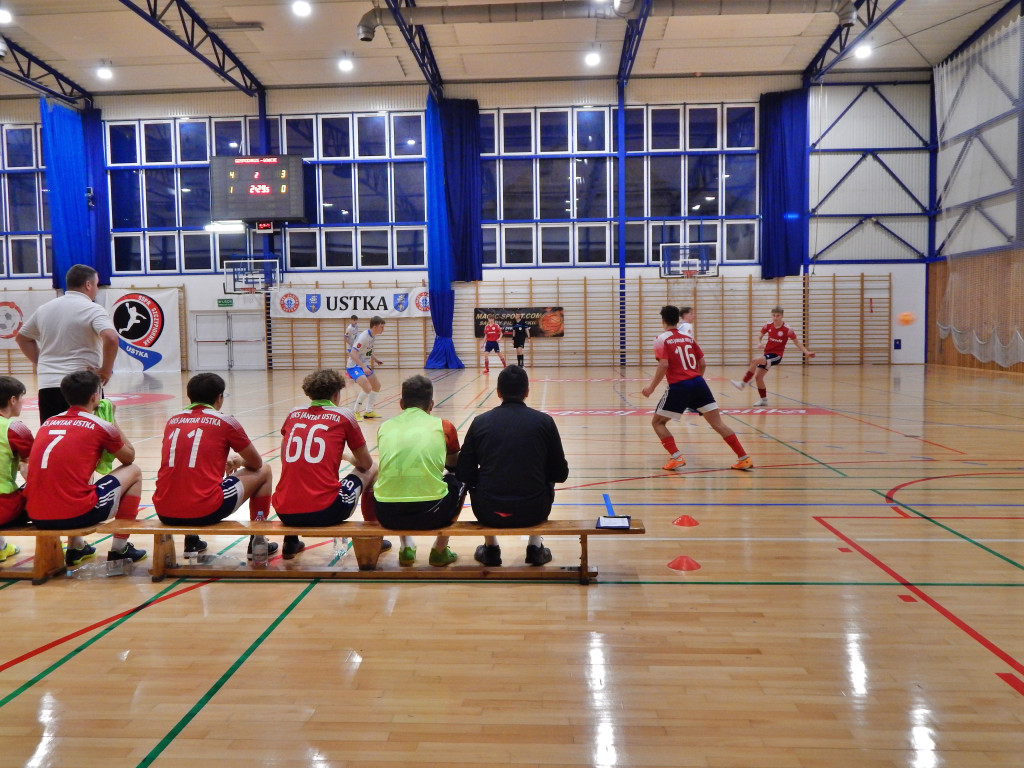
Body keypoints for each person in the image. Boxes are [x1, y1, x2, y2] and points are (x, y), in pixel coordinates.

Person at [152, 372, 285, 560]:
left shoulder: (173, 421)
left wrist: (221, 459)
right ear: (220, 397)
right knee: (265, 470)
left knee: (185, 476)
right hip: (204, 510)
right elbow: (256, 463)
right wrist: (238, 460)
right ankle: (258, 542)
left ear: (189, 395)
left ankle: (191, 542)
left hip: (163, 510)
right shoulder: (225, 421)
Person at [25, 370, 146, 567]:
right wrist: (112, 419)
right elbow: (128, 457)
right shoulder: (100, 425)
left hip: (35, 514)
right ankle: (120, 549)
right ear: (94, 397)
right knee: (134, 471)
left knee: (76, 472)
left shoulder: (48, 422)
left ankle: (77, 547)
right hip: (76, 515)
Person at [457, 365, 568, 567]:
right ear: (526, 392)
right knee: (547, 476)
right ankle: (535, 547)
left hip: (488, 511)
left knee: (479, 479)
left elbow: (465, 472)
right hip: (534, 510)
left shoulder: (480, 422)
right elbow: (560, 473)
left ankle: (491, 549)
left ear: (498, 393)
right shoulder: (544, 422)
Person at [272, 369, 378, 551]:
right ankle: (374, 536)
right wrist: (348, 457)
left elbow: (284, 458)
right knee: (373, 468)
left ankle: (290, 541)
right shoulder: (344, 416)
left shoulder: (293, 414)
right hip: (325, 510)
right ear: (336, 394)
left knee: (296, 480)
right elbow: (365, 463)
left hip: (284, 511)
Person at [642, 305, 753, 472]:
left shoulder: (660, 338)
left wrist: (651, 388)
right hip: (699, 383)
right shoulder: (688, 339)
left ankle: (676, 457)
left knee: (658, 422)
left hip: (679, 385)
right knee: (718, 424)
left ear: (662, 321)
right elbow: (702, 363)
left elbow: (663, 364)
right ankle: (743, 458)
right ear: (678, 320)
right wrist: (696, 380)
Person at [372, 375, 465, 568]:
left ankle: (406, 546)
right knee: (461, 476)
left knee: (392, 477)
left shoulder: (384, 427)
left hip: (387, 515)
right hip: (431, 514)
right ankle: (440, 549)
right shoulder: (444, 426)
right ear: (431, 404)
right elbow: (455, 465)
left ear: (401, 404)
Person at [16, 264, 120, 423]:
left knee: (54, 435)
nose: (97, 289)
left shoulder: (44, 309)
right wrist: (106, 370)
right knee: (89, 439)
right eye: (97, 284)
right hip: (83, 386)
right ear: (88, 284)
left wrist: (41, 362)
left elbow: (22, 338)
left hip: (48, 384)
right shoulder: (93, 309)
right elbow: (111, 338)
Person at [730, 306, 815, 406]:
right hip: (767, 354)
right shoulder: (768, 325)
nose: (775, 318)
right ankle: (763, 400)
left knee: (755, 360)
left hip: (776, 356)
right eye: (773, 315)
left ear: (782, 316)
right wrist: (759, 343)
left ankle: (743, 383)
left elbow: (797, 343)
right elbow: (759, 336)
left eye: (777, 316)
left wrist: (806, 352)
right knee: (758, 377)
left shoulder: (788, 329)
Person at [0, 376, 33, 563]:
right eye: (22, 398)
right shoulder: (14, 428)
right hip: (4, 508)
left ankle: (1, 547)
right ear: (13, 400)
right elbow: (36, 469)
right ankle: (75, 545)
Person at [347, 315, 385, 420]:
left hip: (362, 365)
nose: (383, 329)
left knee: (376, 386)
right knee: (367, 388)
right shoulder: (364, 337)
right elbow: (353, 354)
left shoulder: (372, 336)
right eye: (382, 327)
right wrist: (363, 367)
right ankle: (355, 412)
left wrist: (375, 359)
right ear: (375, 327)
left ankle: (368, 411)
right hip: (354, 366)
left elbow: (367, 351)